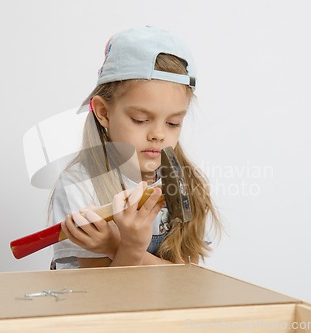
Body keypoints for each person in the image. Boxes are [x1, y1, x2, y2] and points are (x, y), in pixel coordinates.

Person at [49, 26, 221, 269]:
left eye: (173, 123)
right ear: (103, 112)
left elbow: (186, 283)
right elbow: (102, 301)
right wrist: (129, 247)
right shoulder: (80, 187)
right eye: (141, 120)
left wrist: (115, 245)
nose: (159, 135)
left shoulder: (187, 183)